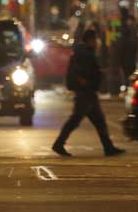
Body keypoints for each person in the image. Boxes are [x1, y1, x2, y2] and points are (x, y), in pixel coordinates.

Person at [53, 28, 125, 158]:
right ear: (90, 40)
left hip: (88, 92)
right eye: (95, 39)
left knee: (99, 121)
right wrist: (90, 80)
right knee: (76, 119)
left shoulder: (84, 52)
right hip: (85, 93)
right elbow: (85, 72)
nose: (97, 42)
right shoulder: (84, 53)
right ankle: (59, 144)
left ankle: (108, 147)